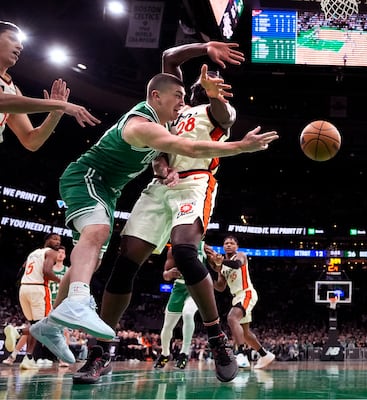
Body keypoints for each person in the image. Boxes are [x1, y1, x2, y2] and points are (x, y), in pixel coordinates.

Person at [30, 41, 277, 384]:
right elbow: (169, 60)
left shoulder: (217, 112)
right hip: (160, 189)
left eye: (223, 85)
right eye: (211, 82)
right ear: (184, 90)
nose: (218, 86)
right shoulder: (170, 109)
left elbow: (209, 128)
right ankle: (102, 350)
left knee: (188, 253)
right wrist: (206, 48)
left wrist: (215, 96)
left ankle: (218, 339)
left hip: (195, 184)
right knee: (123, 264)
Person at [0, 21, 100, 150]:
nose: (20, 47)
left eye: (21, 43)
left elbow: (31, 141)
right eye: (13, 39)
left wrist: (55, 114)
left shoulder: (12, 90)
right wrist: (62, 104)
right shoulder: (7, 98)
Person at [208, 235, 276, 369]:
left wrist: (219, 263)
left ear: (236, 247)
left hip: (247, 293)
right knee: (245, 333)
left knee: (232, 318)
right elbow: (221, 287)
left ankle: (241, 354)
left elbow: (236, 265)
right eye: (226, 243)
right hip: (236, 297)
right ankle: (265, 355)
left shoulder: (240, 255)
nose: (228, 245)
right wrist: (210, 278)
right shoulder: (222, 267)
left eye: (231, 243)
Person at [11, 234, 67, 369]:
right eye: (54, 239)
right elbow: (47, 272)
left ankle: (28, 358)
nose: (57, 242)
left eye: (59, 240)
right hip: (38, 289)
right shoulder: (51, 252)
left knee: (35, 325)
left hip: (24, 288)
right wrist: (61, 281)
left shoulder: (33, 253)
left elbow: (21, 271)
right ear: (46, 241)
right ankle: (18, 332)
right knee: (43, 325)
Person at [154, 244, 206, 370]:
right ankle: (165, 353)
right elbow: (165, 276)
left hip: (195, 287)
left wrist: (217, 262)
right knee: (167, 327)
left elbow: (215, 267)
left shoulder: (204, 247)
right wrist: (170, 273)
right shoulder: (174, 249)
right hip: (178, 289)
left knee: (188, 313)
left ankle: (184, 353)